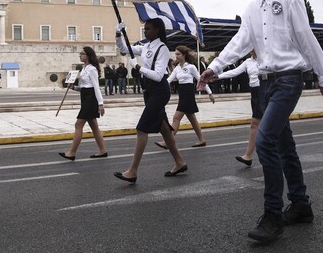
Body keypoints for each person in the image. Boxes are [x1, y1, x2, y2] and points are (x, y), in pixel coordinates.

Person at [198, 0, 323, 243]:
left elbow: (305, 37)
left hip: (288, 80)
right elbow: (241, 40)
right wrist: (215, 67)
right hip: (264, 84)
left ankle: (273, 215)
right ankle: (300, 205)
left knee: (264, 140)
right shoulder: (251, 7)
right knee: (285, 145)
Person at [114, 18, 187, 184]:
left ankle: (132, 171)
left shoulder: (162, 49)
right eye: (144, 28)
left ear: (157, 30)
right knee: (165, 129)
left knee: (142, 129)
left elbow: (158, 75)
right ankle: (180, 162)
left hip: (160, 91)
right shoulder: (146, 46)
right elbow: (124, 48)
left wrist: (137, 67)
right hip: (149, 91)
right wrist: (118, 33)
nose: (145, 31)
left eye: (148, 29)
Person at [155, 45, 214, 150]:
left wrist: (210, 93)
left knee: (176, 118)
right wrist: (158, 87)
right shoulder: (177, 68)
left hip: (188, 94)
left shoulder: (191, 67)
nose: (176, 56)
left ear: (184, 55)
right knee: (192, 118)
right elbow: (169, 80)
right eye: (175, 54)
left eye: (178, 54)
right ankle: (202, 139)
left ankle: (167, 141)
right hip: (182, 94)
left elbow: (201, 79)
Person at [59, 46, 107, 160]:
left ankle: (72, 153)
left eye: (82, 54)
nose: (80, 55)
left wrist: (100, 104)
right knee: (94, 126)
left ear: (88, 56)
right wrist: (73, 87)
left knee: (78, 124)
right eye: (80, 54)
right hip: (85, 97)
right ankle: (103, 151)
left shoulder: (92, 69)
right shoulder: (83, 69)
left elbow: (96, 87)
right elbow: (83, 88)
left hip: (91, 99)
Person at [217, 50, 261, 167]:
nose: (250, 48)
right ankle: (248, 156)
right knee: (255, 124)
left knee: (259, 124)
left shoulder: (266, 58)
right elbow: (234, 72)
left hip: (265, 91)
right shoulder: (247, 62)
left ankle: (251, 155)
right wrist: (217, 76)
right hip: (255, 94)